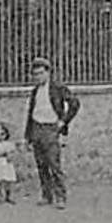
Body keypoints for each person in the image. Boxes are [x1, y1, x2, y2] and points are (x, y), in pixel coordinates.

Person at [23, 57, 80, 208]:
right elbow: (30, 113)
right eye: (35, 74)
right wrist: (28, 136)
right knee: (41, 164)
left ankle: (61, 197)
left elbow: (74, 103)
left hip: (51, 129)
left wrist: (64, 121)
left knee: (54, 164)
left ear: (48, 73)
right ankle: (46, 196)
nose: (38, 77)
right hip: (37, 128)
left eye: (41, 73)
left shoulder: (57, 88)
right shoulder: (35, 91)